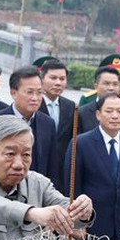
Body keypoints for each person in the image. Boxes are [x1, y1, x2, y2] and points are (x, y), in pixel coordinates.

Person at [64, 94, 120, 240]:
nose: (115, 116)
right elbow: (72, 187)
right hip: (90, 226)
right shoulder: (80, 143)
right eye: (109, 111)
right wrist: (78, 224)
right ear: (98, 114)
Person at [0, 66, 56, 179]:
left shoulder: (47, 123)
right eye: (29, 92)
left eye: (39, 92)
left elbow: (52, 166)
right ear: (14, 93)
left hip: (36, 191)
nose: (35, 98)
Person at [37, 58, 77, 191]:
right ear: (42, 79)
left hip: (62, 170)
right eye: (53, 78)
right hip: (38, 167)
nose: (58, 83)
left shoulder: (70, 106)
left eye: (62, 79)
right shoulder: (33, 104)